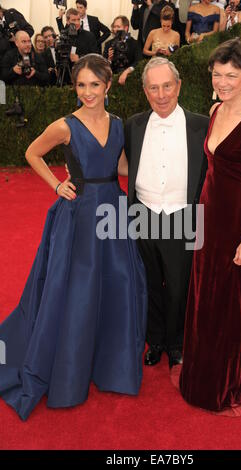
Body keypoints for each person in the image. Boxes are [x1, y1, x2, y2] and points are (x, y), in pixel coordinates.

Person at [0, 54, 147, 421]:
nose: (87, 92)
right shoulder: (66, 125)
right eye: (81, 85)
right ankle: (70, 368)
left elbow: (121, 165)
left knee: (118, 282)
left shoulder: (117, 124)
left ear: (108, 86)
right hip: (79, 214)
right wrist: (56, 184)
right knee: (78, 290)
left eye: (94, 85)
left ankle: (110, 363)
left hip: (112, 210)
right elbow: (32, 152)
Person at [178, 38, 241, 416]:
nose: (222, 82)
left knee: (229, 304)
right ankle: (200, 375)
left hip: (236, 224)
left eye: (231, 75)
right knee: (203, 297)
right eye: (217, 74)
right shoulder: (216, 110)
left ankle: (224, 382)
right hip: (207, 217)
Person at [124, 57, 208, 369]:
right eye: (154, 88)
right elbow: (122, 164)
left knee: (178, 286)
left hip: (183, 216)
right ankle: (155, 340)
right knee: (148, 282)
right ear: (145, 91)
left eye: (167, 86)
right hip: (142, 214)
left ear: (179, 86)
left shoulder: (201, 125)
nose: (161, 95)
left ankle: (176, 343)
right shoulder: (133, 125)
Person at [103, 16, 142, 86]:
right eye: (114, 27)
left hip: (130, 80)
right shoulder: (108, 44)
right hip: (112, 81)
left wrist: (127, 71)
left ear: (126, 28)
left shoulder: (135, 44)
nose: (115, 29)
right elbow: (103, 65)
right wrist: (109, 59)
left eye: (118, 27)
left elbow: (139, 61)